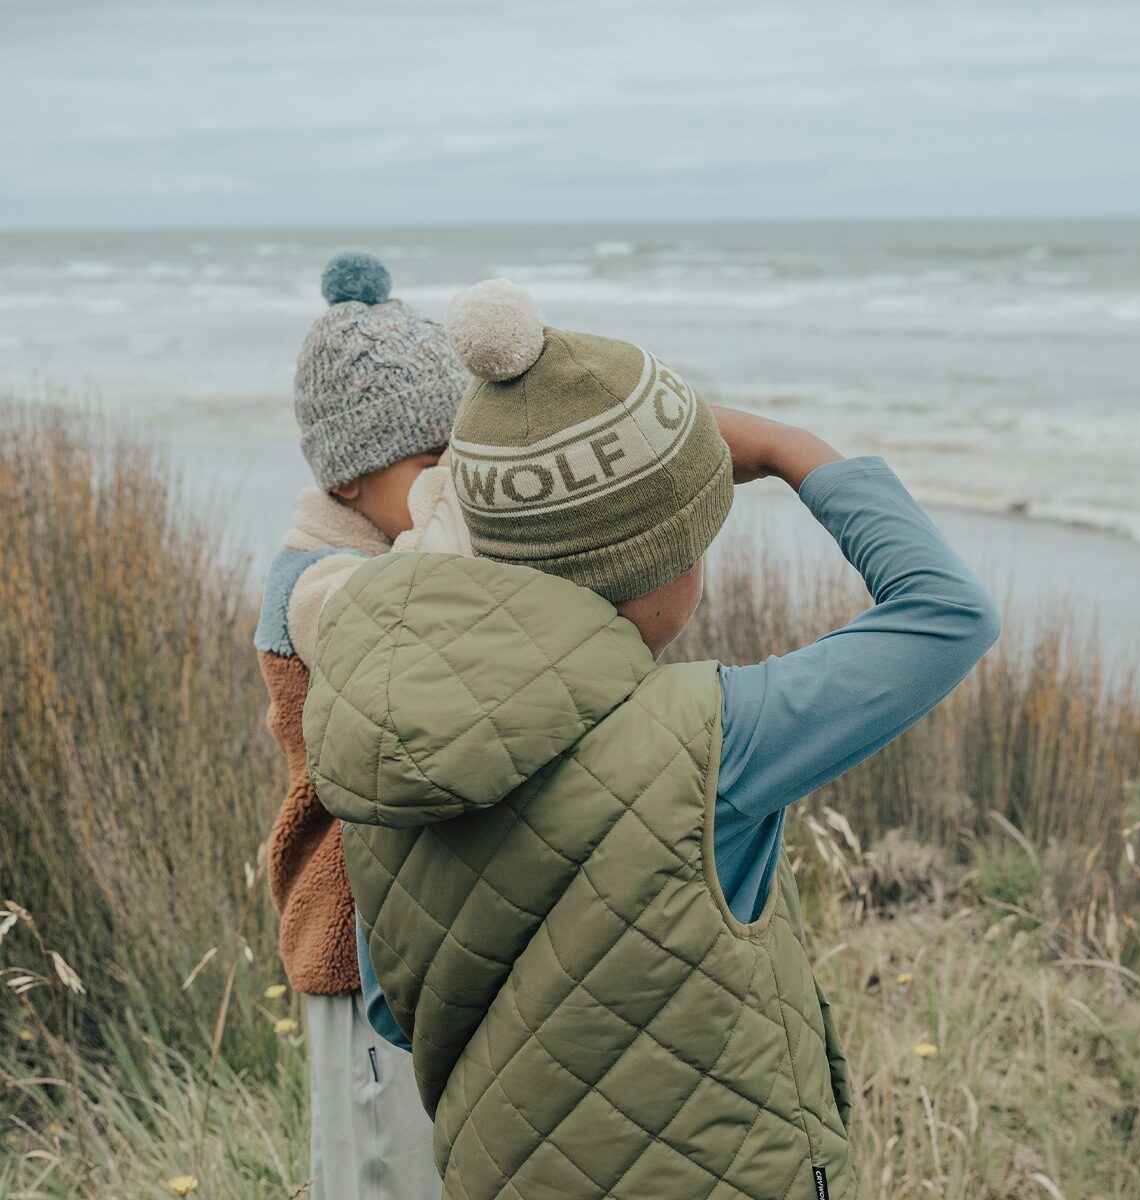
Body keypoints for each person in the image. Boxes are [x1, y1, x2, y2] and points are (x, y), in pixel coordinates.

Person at [304, 278, 1000, 1199]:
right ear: (656, 568)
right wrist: (798, 454)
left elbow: (397, 1013)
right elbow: (949, 615)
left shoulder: (385, 733)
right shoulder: (716, 741)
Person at [254, 252, 469, 1200]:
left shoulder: (382, 552)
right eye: (433, 465)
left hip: (405, 922)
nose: (451, 486)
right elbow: (423, 607)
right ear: (348, 478)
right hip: (355, 933)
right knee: (380, 1169)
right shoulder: (318, 586)